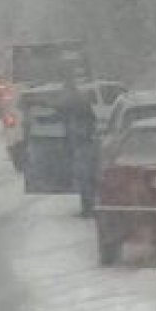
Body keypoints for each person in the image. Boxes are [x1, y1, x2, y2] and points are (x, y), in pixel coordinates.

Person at [58, 77, 98, 217]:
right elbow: (92, 120)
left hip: (82, 145)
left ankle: (88, 207)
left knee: (84, 178)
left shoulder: (72, 102)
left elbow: (61, 110)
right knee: (86, 178)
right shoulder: (82, 102)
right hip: (85, 143)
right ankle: (90, 205)